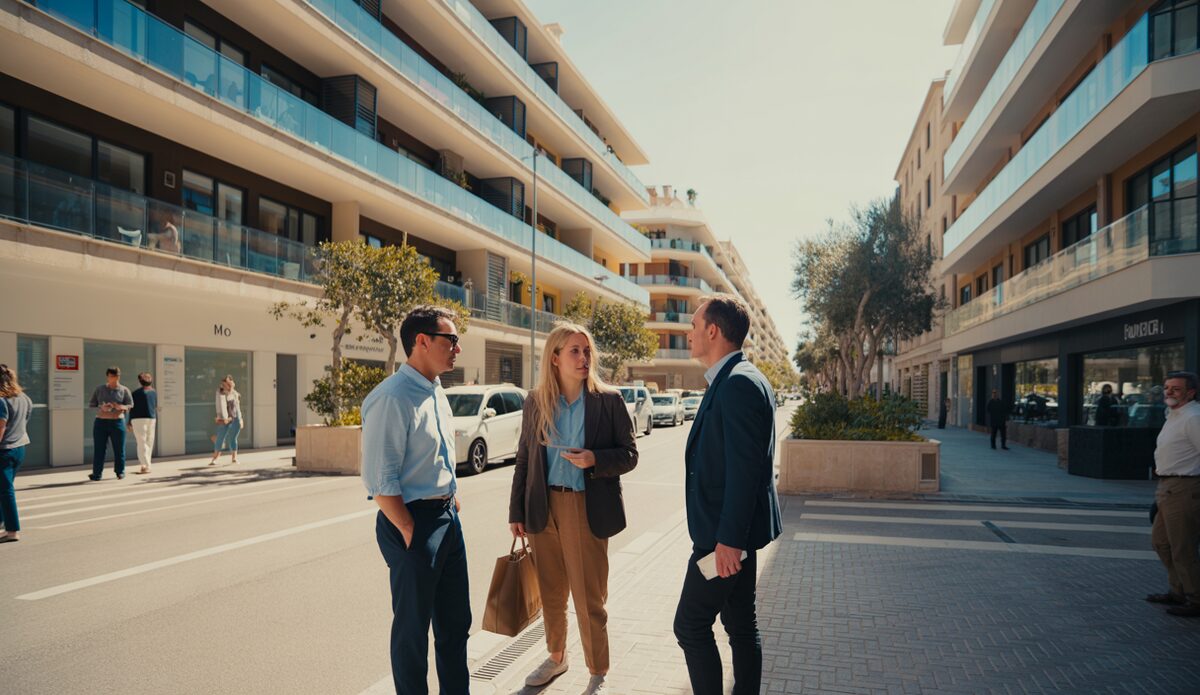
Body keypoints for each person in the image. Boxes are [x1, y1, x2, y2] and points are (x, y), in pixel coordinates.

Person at [509, 324, 638, 694]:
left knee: (588, 595)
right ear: (555, 357)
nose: (583, 358)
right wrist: (515, 511)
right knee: (551, 592)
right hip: (541, 507)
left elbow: (630, 454)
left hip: (585, 506)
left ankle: (598, 672)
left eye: (586, 351)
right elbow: (524, 459)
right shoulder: (535, 401)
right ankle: (556, 657)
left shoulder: (608, 400)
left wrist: (594, 458)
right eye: (574, 351)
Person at [673, 294, 781, 695]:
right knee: (740, 625)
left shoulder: (737, 383)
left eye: (694, 326)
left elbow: (744, 471)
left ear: (713, 331)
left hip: (723, 539)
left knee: (690, 625)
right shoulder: (735, 377)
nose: (689, 334)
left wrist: (729, 542)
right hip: (731, 536)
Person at [361, 306, 470, 694]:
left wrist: (451, 497)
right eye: (450, 340)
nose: (457, 348)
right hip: (411, 522)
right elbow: (379, 479)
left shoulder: (435, 388)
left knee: (456, 626)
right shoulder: (391, 397)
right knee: (412, 636)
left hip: (446, 518)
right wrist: (408, 528)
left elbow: (436, 453)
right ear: (422, 341)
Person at [1145, 371, 1200, 618]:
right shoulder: (1174, 415)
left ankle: (1195, 597)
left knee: (1182, 547)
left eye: (1176, 389)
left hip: (1184, 487)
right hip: (1167, 486)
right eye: (1166, 387)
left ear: (1191, 392)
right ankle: (1178, 589)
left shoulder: (1193, 418)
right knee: (1161, 542)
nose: (1168, 392)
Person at [0, 365, 33, 543]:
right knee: (3, 489)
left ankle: (12, 531)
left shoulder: (1, 400)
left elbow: (1, 427)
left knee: (6, 491)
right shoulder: (24, 398)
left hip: (4, 450)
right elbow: (25, 420)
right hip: (20, 448)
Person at [89, 366, 134, 481]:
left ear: (119, 376)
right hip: (101, 422)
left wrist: (121, 407)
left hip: (117, 422)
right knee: (99, 449)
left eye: (116, 376)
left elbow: (130, 405)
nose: (114, 378)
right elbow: (91, 405)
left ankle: (120, 472)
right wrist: (101, 407)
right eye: (111, 376)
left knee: (119, 449)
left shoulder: (124, 390)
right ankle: (97, 474)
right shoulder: (99, 389)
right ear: (107, 376)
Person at [129, 372, 158, 475]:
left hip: (138, 419)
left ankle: (145, 465)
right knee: (149, 442)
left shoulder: (135, 393)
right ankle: (145, 465)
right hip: (151, 418)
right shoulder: (154, 392)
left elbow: (131, 409)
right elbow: (155, 406)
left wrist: (129, 422)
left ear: (139, 381)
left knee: (142, 442)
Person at [211, 375, 242, 466]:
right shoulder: (220, 393)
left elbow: (237, 408)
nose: (224, 385)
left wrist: (240, 419)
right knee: (220, 438)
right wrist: (219, 417)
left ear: (230, 383)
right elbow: (218, 407)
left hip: (235, 418)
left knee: (233, 438)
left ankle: (234, 458)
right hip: (225, 419)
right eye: (223, 383)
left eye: (227, 383)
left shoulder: (234, 394)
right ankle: (215, 458)